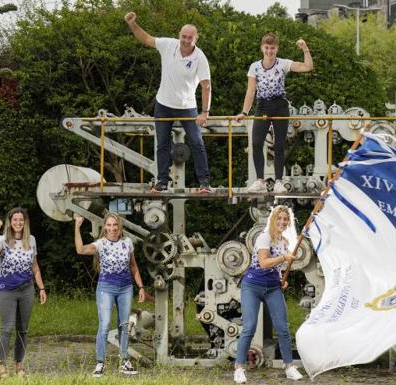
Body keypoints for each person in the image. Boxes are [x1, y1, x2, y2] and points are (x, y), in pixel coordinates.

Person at [124, 12, 213, 193]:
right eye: (183, 36)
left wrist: (205, 112)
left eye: (190, 37)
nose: (186, 40)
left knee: (197, 142)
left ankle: (204, 183)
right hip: (163, 104)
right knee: (162, 143)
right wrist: (132, 24)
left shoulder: (200, 57)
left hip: (187, 107)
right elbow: (147, 39)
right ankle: (162, 182)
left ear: (196, 38)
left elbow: (206, 86)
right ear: (179, 35)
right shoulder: (168, 45)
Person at [233, 205, 304, 383]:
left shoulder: (285, 242)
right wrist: (283, 258)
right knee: (249, 327)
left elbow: (276, 268)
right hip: (252, 286)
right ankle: (239, 368)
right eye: (279, 218)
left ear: (288, 222)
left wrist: (282, 279)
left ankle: (289, 367)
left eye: (285, 219)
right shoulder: (264, 238)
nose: (282, 222)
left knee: (283, 328)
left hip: (273, 288)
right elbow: (264, 263)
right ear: (273, 220)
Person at [237, 33, 313, 194]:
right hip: (262, 106)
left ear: (277, 49)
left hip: (279, 105)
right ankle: (260, 180)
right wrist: (244, 111)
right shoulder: (255, 67)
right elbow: (250, 91)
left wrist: (305, 49)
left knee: (279, 144)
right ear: (262, 48)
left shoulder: (283, 64)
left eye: (272, 48)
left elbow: (307, 67)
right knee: (256, 143)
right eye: (267, 47)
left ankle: (279, 180)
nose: (269, 51)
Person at [74, 213, 146, 377]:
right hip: (106, 288)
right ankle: (100, 363)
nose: (112, 228)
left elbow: (133, 267)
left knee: (124, 325)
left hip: (125, 288)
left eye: (115, 225)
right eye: (109, 225)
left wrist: (141, 287)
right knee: (105, 325)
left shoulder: (127, 243)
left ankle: (124, 361)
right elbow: (80, 249)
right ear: (104, 227)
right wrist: (77, 226)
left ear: (120, 227)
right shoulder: (101, 244)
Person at [0, 207, 47, 379]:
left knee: (23, 330)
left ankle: (19, 365)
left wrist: (41, 288)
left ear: (25, 222)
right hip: (6, 290)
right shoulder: (2, 239)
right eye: (15, 220)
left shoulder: (31, 240)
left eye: (21, 220)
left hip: (26, 289)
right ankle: (2, 365)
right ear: (10, 222)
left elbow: (35, 267)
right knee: (7, 328)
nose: (18, 223)